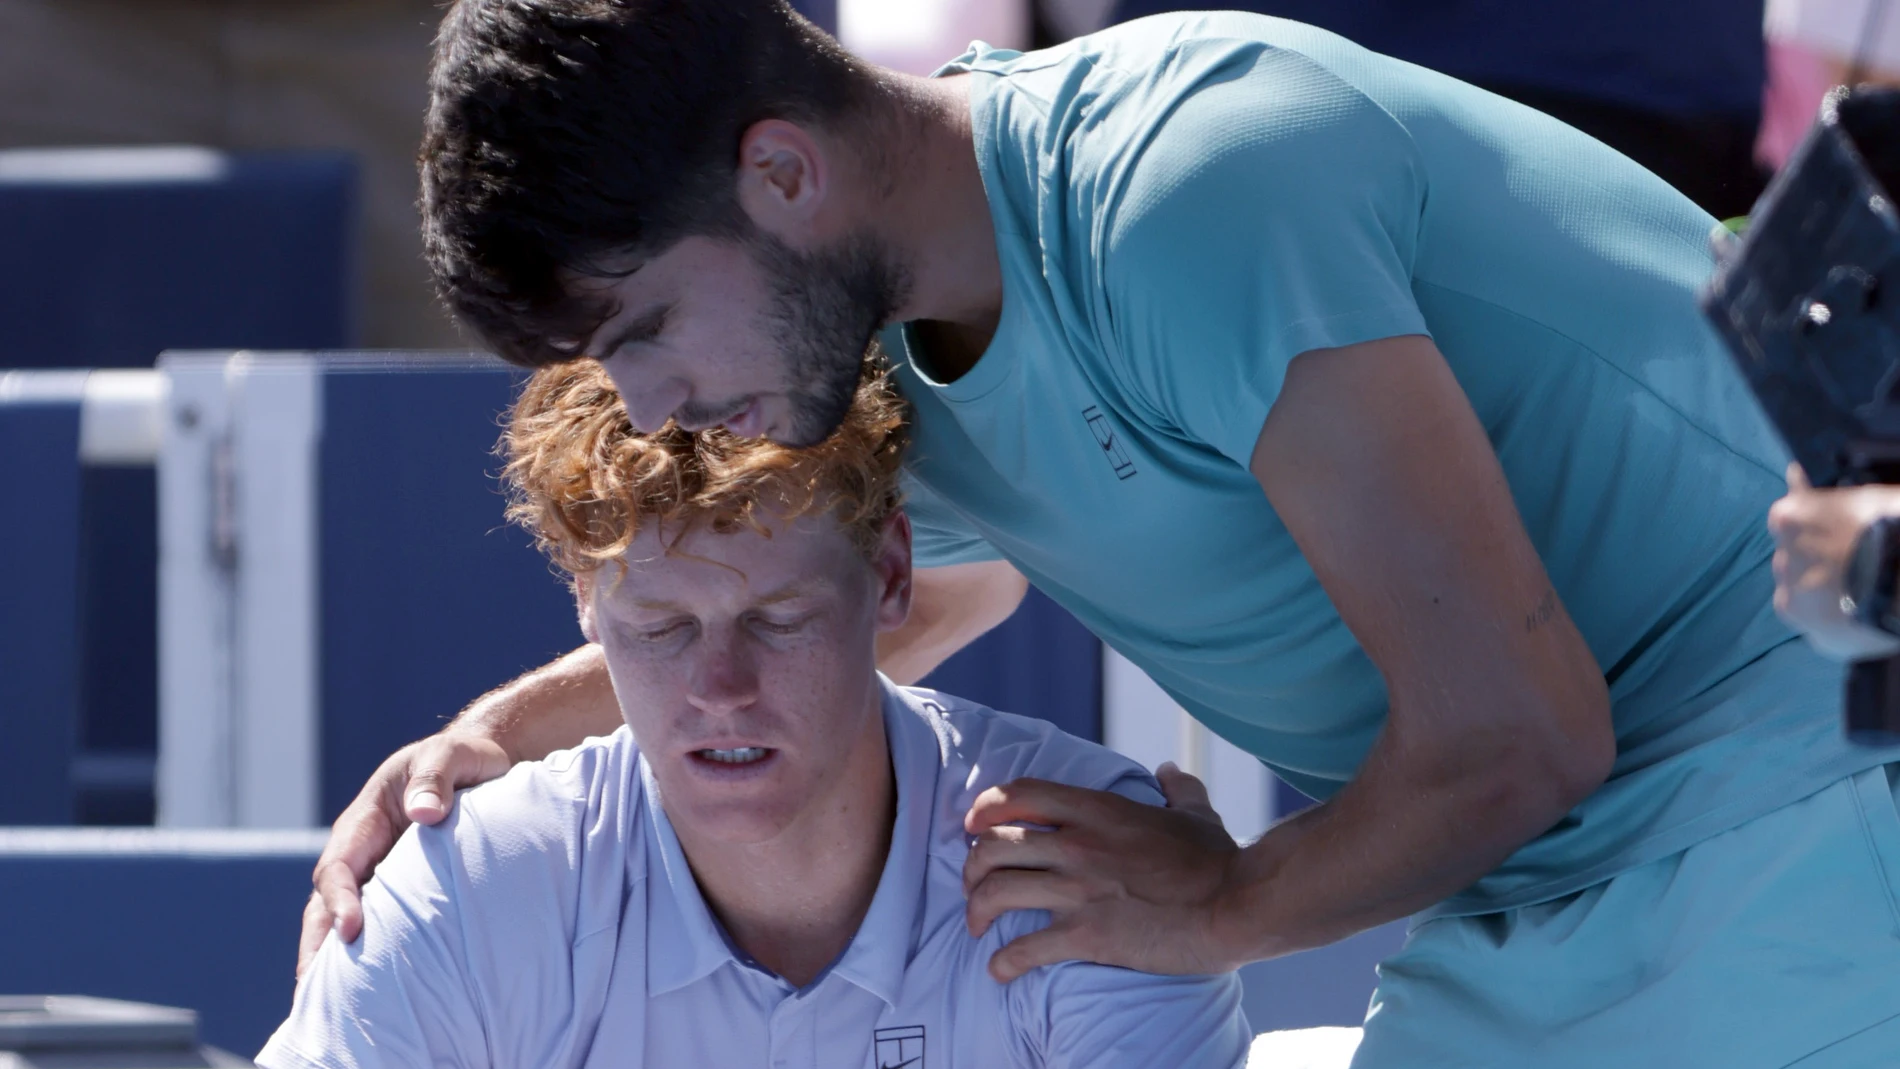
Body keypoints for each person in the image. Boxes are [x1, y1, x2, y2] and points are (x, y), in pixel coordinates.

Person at [310, 4, 1900, 1065]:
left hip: (1814, 792)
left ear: (781, 172)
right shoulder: (871, 339)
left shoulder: (1187, 187)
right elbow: (855, 619)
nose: (652, 405)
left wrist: (1221, 908)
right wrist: (486, 738)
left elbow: (1519, 737)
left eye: (647, 326)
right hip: (1566, 883)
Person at [265, 358, 1253, 1069]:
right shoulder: (469, 885)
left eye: (779, 618)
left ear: (894, 574)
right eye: (657, 626)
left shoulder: (1093, 863)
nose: (721, 687)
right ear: (586, 609)